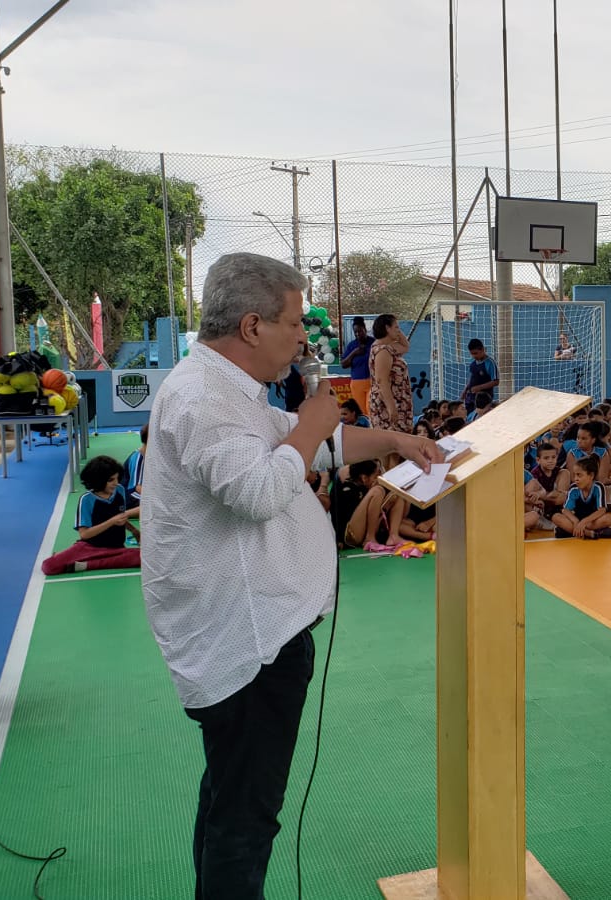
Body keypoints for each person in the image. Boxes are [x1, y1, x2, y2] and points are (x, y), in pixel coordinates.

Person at [141, 252, 442, 898]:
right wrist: (309, 427)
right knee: (245, 819)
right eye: (295, 321)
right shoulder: (203, 398)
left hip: (258, 632)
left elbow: (316, 442)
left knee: (229, 799)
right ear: (252, 327)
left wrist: (396, 442)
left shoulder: (232, 391)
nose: (304, 336)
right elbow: (257, 488)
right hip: (247, 644)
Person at [40, 455, 142, 576]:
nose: (116, 483)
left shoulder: (119, 490)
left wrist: (134, 530)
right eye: (111, 480)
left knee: (146, 558)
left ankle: (86, 564)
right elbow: (84, 534)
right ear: (98, 480)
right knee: (49, 566)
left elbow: (120, 517)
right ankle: (89, 562)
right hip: (89, 547)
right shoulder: (86, 500)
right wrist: (112, 521)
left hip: (116, 548)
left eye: (117, 478)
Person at [368, 313, 413, 433]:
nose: (399, 331)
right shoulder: (382, 351)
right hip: (388, 402)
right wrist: (391, 407)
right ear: (387, 328)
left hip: (399, 399)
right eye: (396, 327)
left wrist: (396, 332)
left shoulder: (390, 347)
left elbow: (406, 346)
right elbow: (381, 380)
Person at [338, 316, 375, 414]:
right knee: (361, 410)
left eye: (360, 331)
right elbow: (343, 364)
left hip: (372, 381)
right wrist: (354, 353)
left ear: (365, 329)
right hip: (357, 382)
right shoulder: (352, 346)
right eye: (355, 332)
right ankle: (364, 424)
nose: (358, 334)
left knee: (371, 407)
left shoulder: (373, 343)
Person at [463, 338, 499, 413]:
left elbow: (496, 381)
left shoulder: (490, 363)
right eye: (472, 354)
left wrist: (479, 387)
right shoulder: (473, 364)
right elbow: (472, 378)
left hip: (483, 400)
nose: (474, 356)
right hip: (471, 397)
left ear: (482, 350)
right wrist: (465, 391)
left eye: (475, 353)